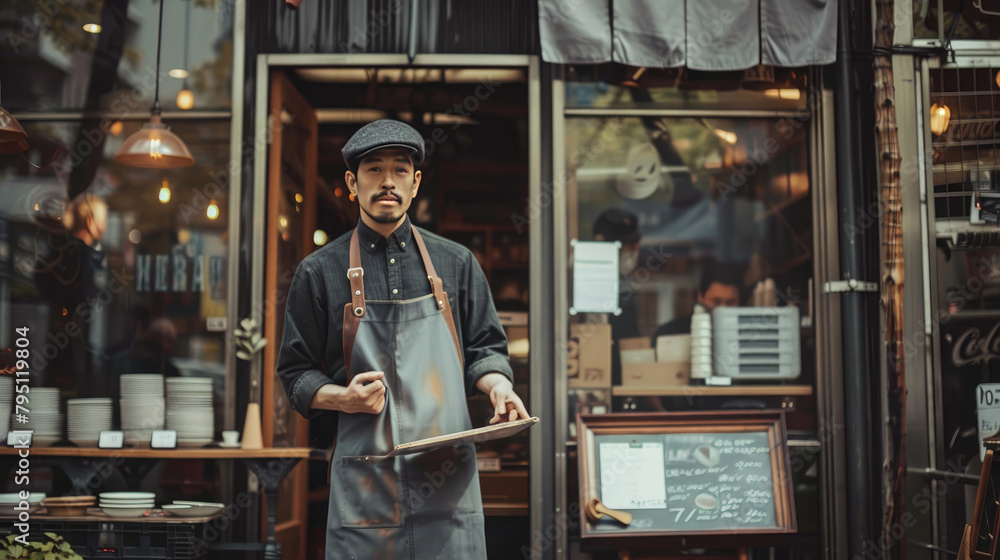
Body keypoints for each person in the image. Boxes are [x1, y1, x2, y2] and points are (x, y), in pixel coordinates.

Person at [277, 119, 529, 559]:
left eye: (399, 170)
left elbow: (486, 349)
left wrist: (499, 386)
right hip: (366, 482)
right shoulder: (318, 272)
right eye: (374, 170)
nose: (387, 182)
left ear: (415, 184)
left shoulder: (456, 264)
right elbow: (295, 374)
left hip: (446, 481)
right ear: (352, 184)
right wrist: (343, 398)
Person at [651, 261, 742, 340]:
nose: (722, 309)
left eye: (730, 302)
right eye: (716, 301)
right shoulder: (669, 334)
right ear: (700, 296)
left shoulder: (747, 336)